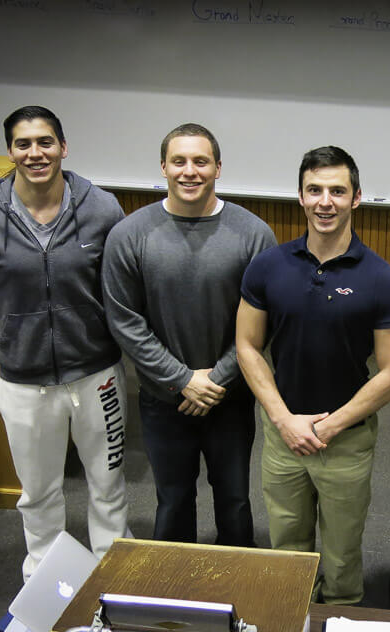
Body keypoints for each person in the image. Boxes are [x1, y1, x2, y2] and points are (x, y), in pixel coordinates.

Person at [0, 105, 130, 580]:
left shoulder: (101, 208)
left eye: (45, 142)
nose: (36, 153)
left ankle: (111, 572)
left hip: (97, 374)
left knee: (108, 483)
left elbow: (115, 285)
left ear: (63, 147)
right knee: (38, 491)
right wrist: (22, 331)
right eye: (24, 144)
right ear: (10, 151)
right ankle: (44, 578)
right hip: (24, 381)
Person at [235, 146, 390, 604]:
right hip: (283, 436)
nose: (325, 201)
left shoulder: (382, 280)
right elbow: (248, 347)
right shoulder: (268, 266)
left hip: (345, 441)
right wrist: (283, 420)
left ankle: (338, 624)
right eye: (315, 190)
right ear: (300, 196)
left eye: (338, 191)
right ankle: (290, 625)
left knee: (340, 555)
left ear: (357, 198)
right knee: (287, 550)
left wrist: (329, 425)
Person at [102, 123, 276, 546]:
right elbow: (125, 320)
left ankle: (238, 588)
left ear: (218, 167)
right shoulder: (130, 235)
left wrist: (215, 379)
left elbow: (263, 320)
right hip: (164, 401)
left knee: (235, 502)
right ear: (163, 167)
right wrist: (182, 379)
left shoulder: (253, 235)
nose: (189, 171)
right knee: (173, 500)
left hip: (230, 399)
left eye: (201, 161)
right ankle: (173, 594)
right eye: (179, 161)